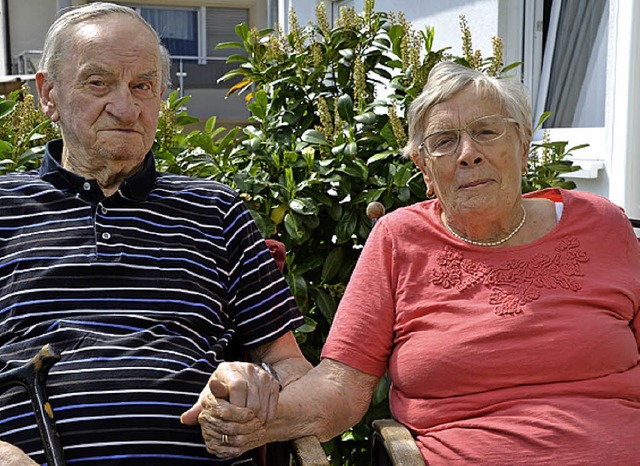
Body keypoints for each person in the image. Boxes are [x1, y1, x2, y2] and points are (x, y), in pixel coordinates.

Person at [184, 61, 640, 464]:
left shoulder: (602, 224)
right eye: (444, 142)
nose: (468, 153)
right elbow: (342, 385)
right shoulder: (399, 239)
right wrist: (251, 416)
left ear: (522, 145)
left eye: (486, 131)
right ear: (423, 168)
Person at [0, 3, 312, 465]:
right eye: (98, 82)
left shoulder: (216, 211)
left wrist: (260, 383)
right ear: (48, 94)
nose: (126, 108)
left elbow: (292, 367)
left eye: (143, 86)